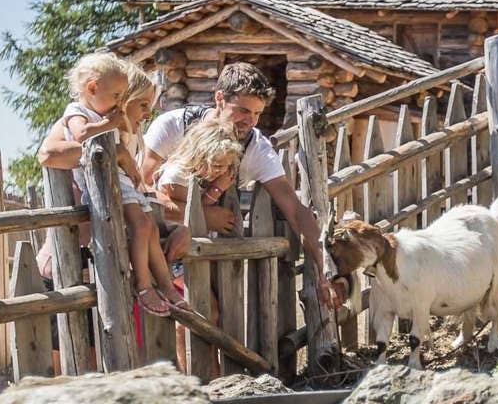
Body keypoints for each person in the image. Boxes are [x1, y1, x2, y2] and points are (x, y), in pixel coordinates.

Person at [141, 62, 341, 309]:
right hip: (155, 245)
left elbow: (296, 211)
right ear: (219, 98)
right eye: (243, 110)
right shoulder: (173, 126)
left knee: (214, 312)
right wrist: (204, 216)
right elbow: (143, 192)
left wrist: (324, 269)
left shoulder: (257, 148)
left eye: (257, 113)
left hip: (211, 251)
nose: (251, 121)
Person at [58, 53, 183, 316]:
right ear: (92, 87)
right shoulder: (78, 112)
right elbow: (81, 136)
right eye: (117, 95)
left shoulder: (104, 116)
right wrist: (109, 124)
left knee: (148, 225)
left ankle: (166, 284)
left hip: (120, 178)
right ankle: (144, 285)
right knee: (140, 224)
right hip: (106, 181)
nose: (119, 101)